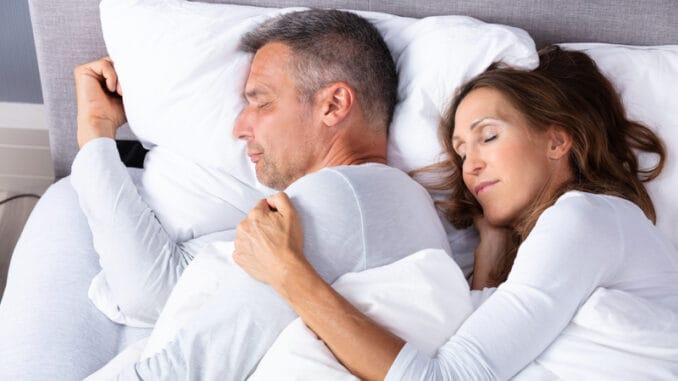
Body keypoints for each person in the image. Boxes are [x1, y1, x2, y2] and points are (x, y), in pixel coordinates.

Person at [34, 9, 451, 380]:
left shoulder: (338, 197)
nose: (240, 128)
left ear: (333, 104)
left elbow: (186, 368)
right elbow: (154, 291)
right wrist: (96, 135)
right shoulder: (377, 201)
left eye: (262, 103)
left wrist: (95, 136)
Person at [233, 46, 678, 380]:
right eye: (461, 153)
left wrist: (288, 273)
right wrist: (492, 251)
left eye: (488, 137)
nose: (471, 166)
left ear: (557, 141)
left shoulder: (583, 218)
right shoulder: (576, 235)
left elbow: (454, 376)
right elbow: (484, 341)